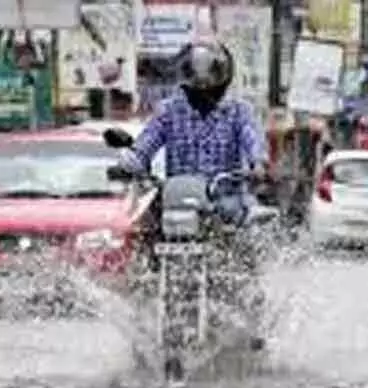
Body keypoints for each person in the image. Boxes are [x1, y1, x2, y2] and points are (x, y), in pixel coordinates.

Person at [116, 39, 271, 350]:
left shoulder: (239, 112)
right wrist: (130, 162)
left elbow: (253, 141)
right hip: (178, 197)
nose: (202, 89)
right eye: (195, 80)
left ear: (223, 79)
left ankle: (249, 314)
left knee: (240, 245)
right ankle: (142, 297)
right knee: (143, 233)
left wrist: (258, 164)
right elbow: (146, 143)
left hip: (222, 198)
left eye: (209, 80)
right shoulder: (168, 111)